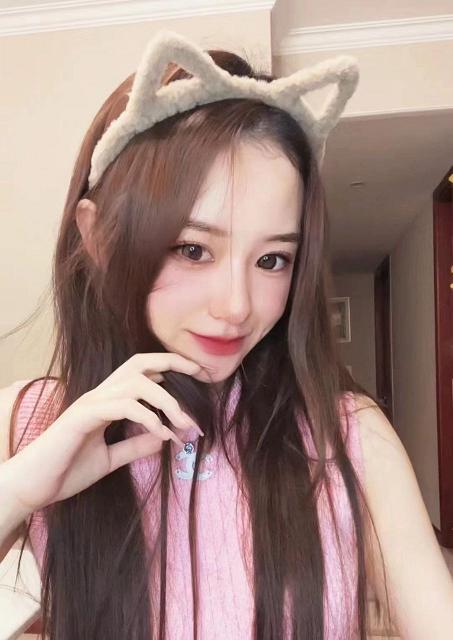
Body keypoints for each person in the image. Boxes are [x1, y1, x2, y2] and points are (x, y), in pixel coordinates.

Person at [0, 30, 452, 640]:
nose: (237, 307)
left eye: (272, 260)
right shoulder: (27, 423)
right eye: (193, 249)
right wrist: (20, 489)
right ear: (100, 239)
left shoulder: (348, 434)